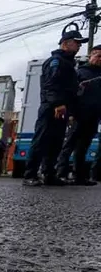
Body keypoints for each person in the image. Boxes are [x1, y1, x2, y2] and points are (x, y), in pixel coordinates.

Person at [23, 29, 86, 187]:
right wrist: (57, 104)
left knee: (56, 142)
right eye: (76, 42)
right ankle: (30, 175)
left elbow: (66, 88)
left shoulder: (69, 63)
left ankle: (49, 174)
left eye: (80, 43)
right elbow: (50, 85)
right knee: (41, 140)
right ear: (65, 43)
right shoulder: (56, 61)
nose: (79, 46)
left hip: (62, 109)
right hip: (52, 107)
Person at [56, 45, 101, 185]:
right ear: (90, 56)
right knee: (69, 144)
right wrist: (71, 113)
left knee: (83, 147)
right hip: (79, 114)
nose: (100, 59)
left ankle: (79, 176)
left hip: (94, 116)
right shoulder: (80, 72)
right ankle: (60, 173)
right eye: (98, 56)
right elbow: (70, 94)